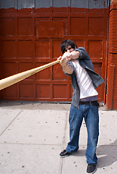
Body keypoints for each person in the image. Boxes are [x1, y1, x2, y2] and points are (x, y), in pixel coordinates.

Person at [58, 39, 104, 174]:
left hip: (92, 103)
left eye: (71, 48)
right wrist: (63, 63)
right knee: (73, 128)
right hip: (77, 103)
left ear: (74, 48)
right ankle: (72, 148)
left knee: (93, 133)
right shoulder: (69, 64)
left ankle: (91, 160)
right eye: (66, 50)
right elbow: (68, 70)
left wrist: (69, 56)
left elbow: (77, 54)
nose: (69, 51)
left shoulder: (83, 54)